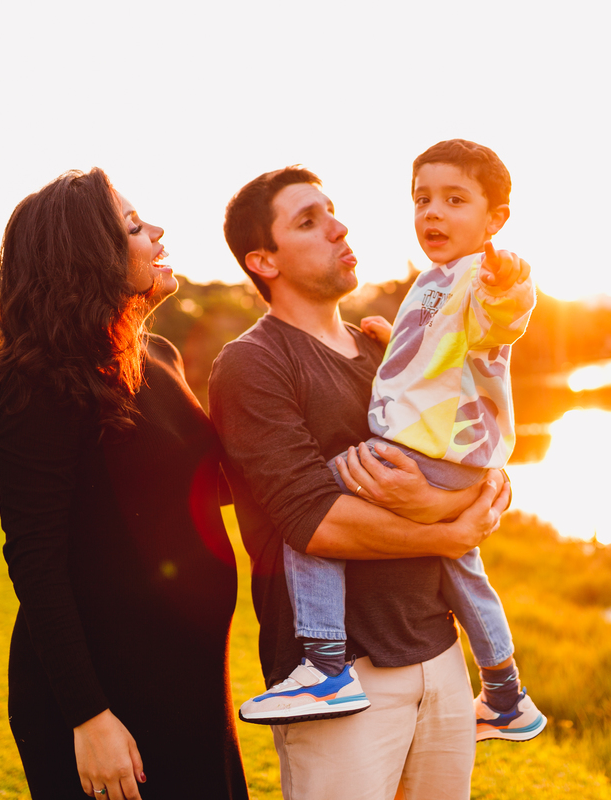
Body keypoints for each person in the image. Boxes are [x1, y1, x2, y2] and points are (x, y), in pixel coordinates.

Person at [209, 166, 512, 800]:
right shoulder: (251, 363)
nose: (339, 227)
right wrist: (451, 528)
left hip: (439, 655)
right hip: (340, 675)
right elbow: (314, 522)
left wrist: (438, 503)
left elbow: (478, 458)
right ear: (263, 260)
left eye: (332, 211)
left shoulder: (387, 354)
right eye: (308, 222)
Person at [0, 168, 247, 800]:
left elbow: (200, 488)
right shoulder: (38, 383)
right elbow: (34, 559)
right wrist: (88, 717)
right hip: (106, 695)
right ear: (87, 255)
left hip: (193, 676)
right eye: (133, 226)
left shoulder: (160, 359)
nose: (157, 233)